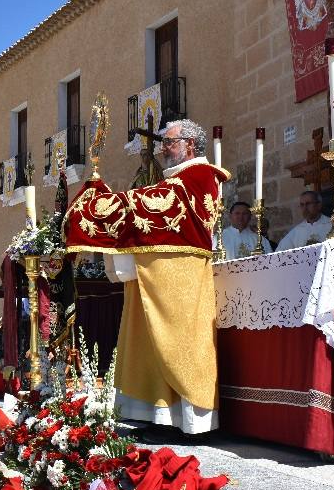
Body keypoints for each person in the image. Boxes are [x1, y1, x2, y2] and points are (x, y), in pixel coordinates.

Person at [64, 118, 229, 434]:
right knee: (149, 340)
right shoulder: (180, 178)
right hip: (159, 267)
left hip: (180, 273)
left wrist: (105, 202)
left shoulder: (201, 175)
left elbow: (159, 205)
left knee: (179, 343)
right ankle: (157, 415)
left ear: (190, 145)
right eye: (163, 143)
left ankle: (192, 421)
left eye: (169, 142)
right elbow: (153, 200)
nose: (162, 149)